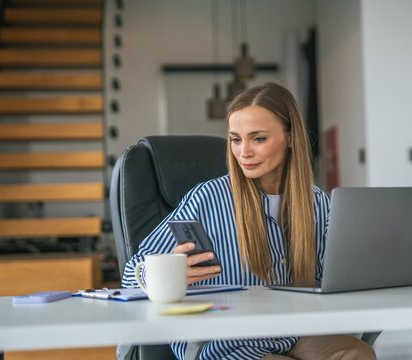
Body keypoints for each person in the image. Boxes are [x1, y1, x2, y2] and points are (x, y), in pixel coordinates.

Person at [122, 82, 376, 360]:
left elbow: (339, 275)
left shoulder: (317, 201)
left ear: (291, 138)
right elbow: (133, 271)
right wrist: (163, 276)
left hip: (297, 330)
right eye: (235, 139)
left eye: (258, 139)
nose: (243, 152)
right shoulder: (207, 198)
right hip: (230, 341)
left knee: (357, 354)